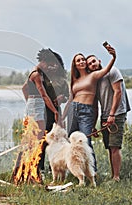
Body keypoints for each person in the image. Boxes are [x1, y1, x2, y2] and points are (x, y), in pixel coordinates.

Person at [62, 44, 116, 172]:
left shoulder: (93, 76)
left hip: (86, 111)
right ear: (75, 65)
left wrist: (113, 57)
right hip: (72, 110)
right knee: (71, 141)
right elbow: (70, 99)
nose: (81, 62)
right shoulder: (75, 80)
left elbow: (107, 70)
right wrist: (61, 118)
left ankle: (92, 172)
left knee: (85, 142)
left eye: (82, 59)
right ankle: (74, 170)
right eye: (78, 60)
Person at [86, 50, 131, 182]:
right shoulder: (96, 80)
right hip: (105, 115)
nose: (92, 64)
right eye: (89, 64)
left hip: (116, 113)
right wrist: (94, 125)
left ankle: (116, 177)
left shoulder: (112, 71)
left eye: (94, 61)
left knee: (115, 146)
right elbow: (95, 105)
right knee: (109, 146)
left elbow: (118, 92)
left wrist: (112, 115)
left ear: (99, 61)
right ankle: (113, 175)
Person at [22, 48, 66, 178]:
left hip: (37, 105)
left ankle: (34, 170)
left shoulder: (39, 74)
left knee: (40, 137)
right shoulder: (36, 74)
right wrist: (54, 111)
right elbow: (44, 95)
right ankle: (33, 169)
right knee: (38, 138)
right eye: (49, 64)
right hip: (37, 105)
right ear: (43, 61)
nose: (50, 67)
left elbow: (24, 88)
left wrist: (29, 102)